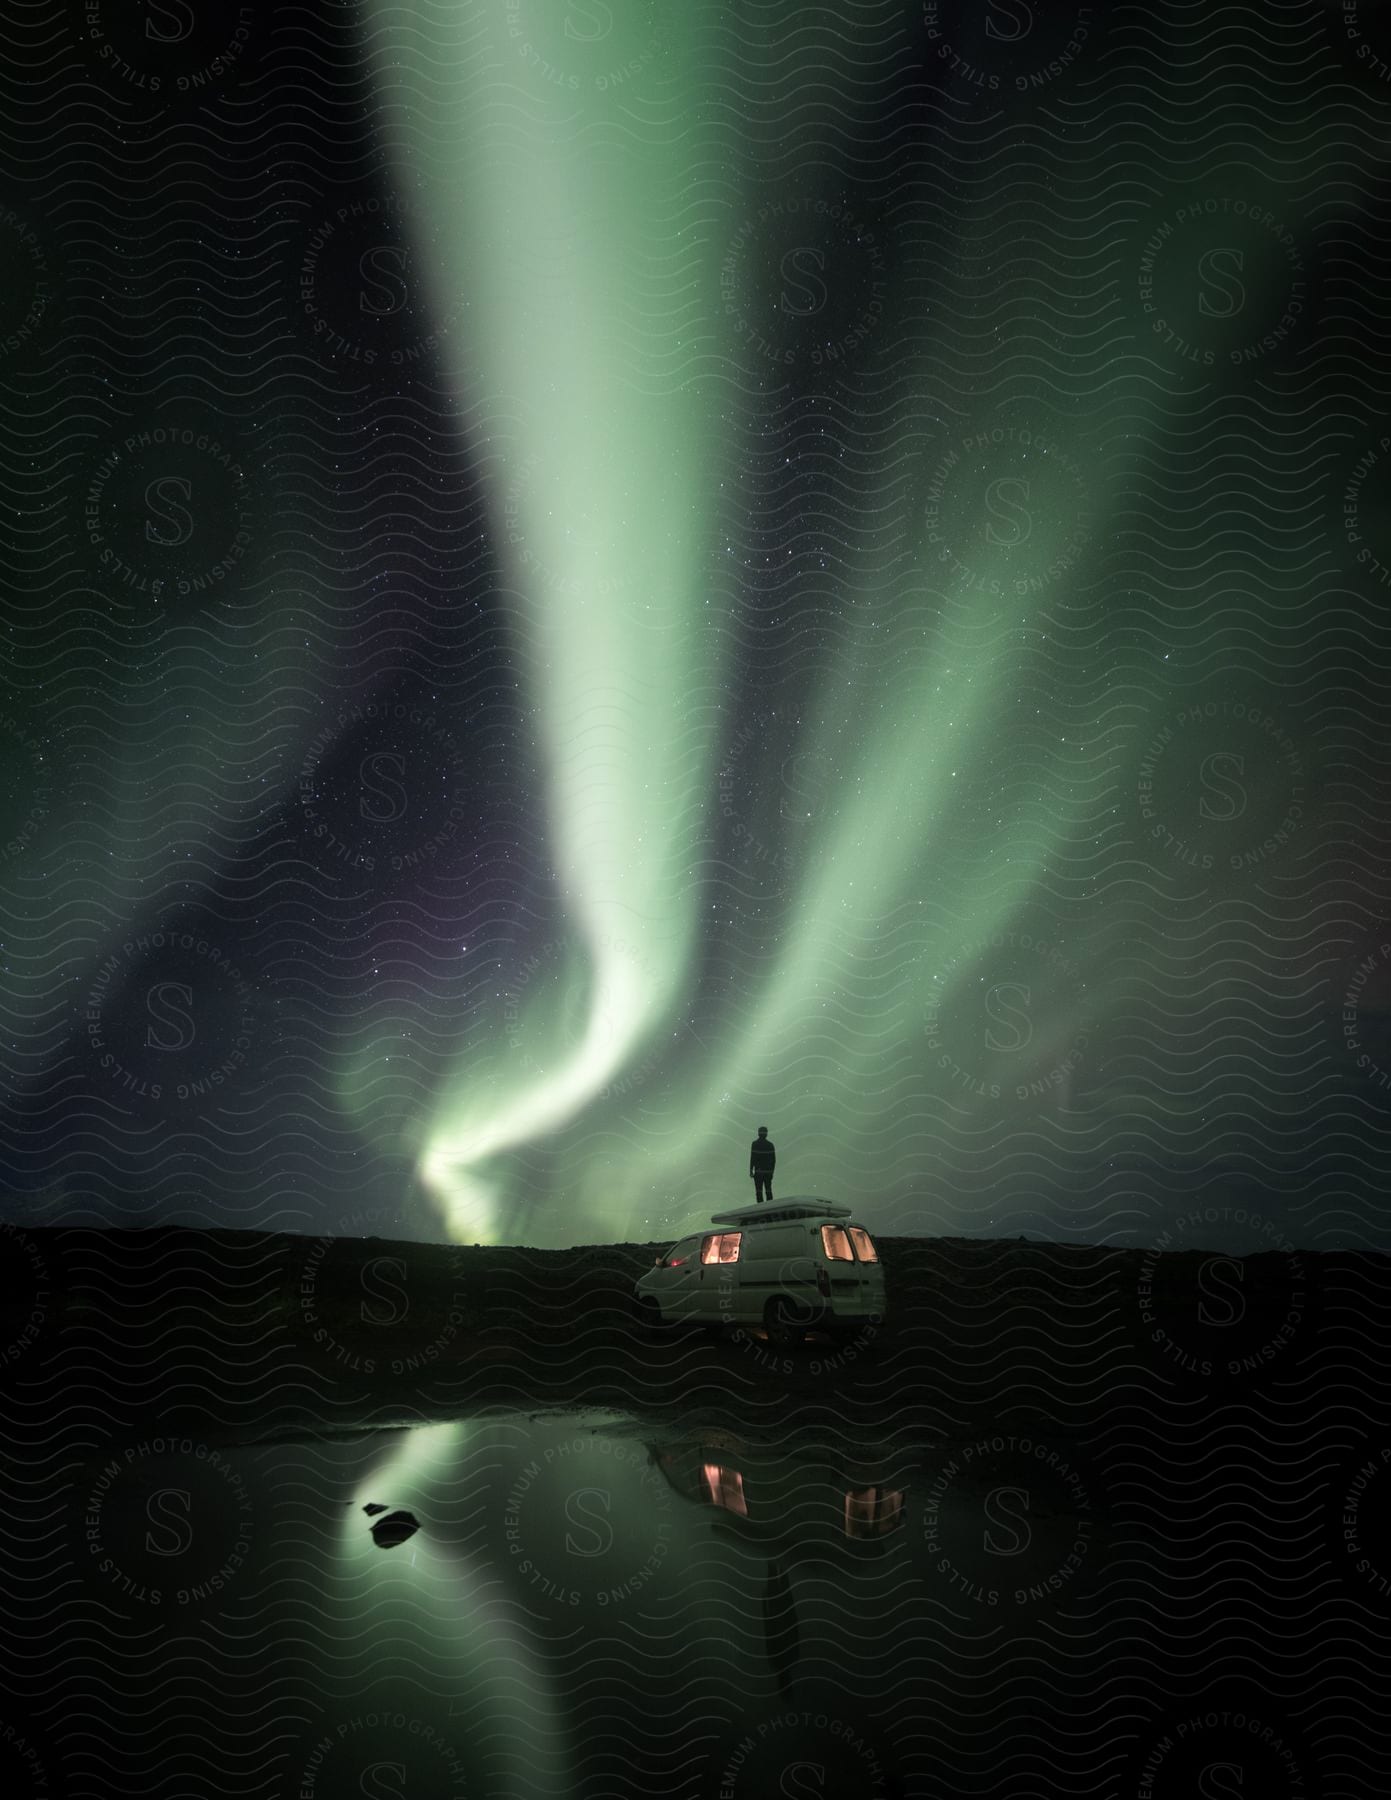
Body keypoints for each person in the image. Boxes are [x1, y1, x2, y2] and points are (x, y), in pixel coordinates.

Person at [749, 1126, 775, 1202]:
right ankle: (768, 1207)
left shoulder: (755, 1144)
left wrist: (751, 1170)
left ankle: (762, 1207)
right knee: (767, 1191)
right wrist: (771, 1172)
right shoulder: (770, 1145)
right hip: (765, 1171)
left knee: (760, 1191)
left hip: (759, 1171)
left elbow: (752, 1157)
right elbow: (773, 1160)